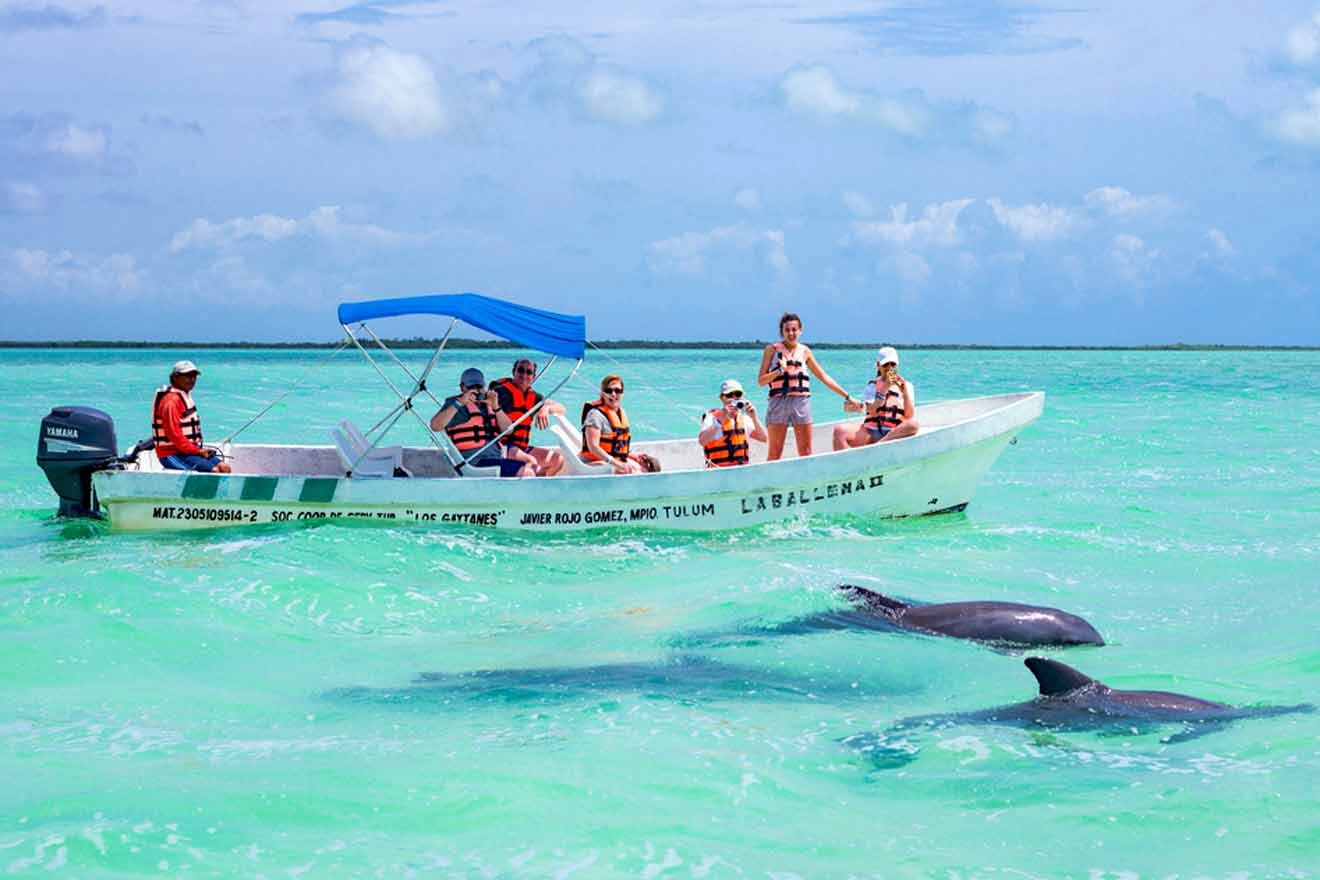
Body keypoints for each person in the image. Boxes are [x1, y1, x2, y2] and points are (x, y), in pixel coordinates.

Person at [757, 312, 857, 460]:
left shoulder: (805, 351)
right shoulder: (771, 350)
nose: (791, 333)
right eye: (787, 330)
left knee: (806, 452)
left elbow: (823, 376)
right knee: (774, 453)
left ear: (800, 331)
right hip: (778, 403)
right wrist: (779, 371)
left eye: (794, 329)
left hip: (801, 402)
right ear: (782, 332)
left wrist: (847, 396)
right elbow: (761, 381)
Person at [430, 367, 534, 477]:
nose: (476, 391)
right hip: (476, 461)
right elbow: (435, 426)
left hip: (495, 457)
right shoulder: (456, 405)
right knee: (526, 472)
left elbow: (508, 430)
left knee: (534, 467)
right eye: (471, 387)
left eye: (479, 387)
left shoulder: (489, 404)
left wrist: (496, 407)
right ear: (462, 387)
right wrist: (459, 403)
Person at [489, 357, 566, 476]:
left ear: (533, 377)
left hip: (522, 447)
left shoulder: (535, 397)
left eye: (529, 372)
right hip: (502, 446)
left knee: (557, 460)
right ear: (513, 372)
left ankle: (537, 488)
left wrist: (545, 408)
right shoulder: (500, 392)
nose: (524, 374)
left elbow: (561, 408)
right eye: (520, 370)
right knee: (531, 462)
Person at [152, 360, 232, 473]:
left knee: (225, 468)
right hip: (171, 454)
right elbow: (174, 435)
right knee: (214, 471)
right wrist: (198, 451)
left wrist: (197, 450)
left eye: (194, 376)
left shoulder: (183, 395)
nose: (192, 379)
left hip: (189, 451)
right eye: (187, 376)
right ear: (175, 378)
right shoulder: (171, 402)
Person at [833, 346, 919, 450]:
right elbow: (872, 411)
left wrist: (905, 393)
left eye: (893, 364)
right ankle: (846, 463)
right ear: (878, 365)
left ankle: (879, 446)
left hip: (894, 432)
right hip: (871, 433)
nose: (890, 367)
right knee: (839, 431)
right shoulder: (872, 386)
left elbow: (909, 415)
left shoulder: (907, 386)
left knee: (913, 424)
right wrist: (884, 388)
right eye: (886, 364)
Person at [580, 374, 657, 475]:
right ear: (603, 394)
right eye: (609, 391)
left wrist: (632, 456)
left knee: (651, 466)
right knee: (628, 470)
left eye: (617, 391)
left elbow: (617, 447)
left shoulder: (620, 413)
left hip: (610, 460)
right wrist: (616, 463)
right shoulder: (595, 415)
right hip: (591, 462)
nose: (613, 394)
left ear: (622, 394)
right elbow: (593, 447)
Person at [697, 378, 767, 467]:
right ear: (722, 398)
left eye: (738, 395)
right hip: (717, 470)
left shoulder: (744, 419)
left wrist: (754, 417)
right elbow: (702, 441)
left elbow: (764, 438)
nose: (734, 399)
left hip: (741, 470)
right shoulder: (712, 417)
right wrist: (720, 420)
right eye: (729, 395)